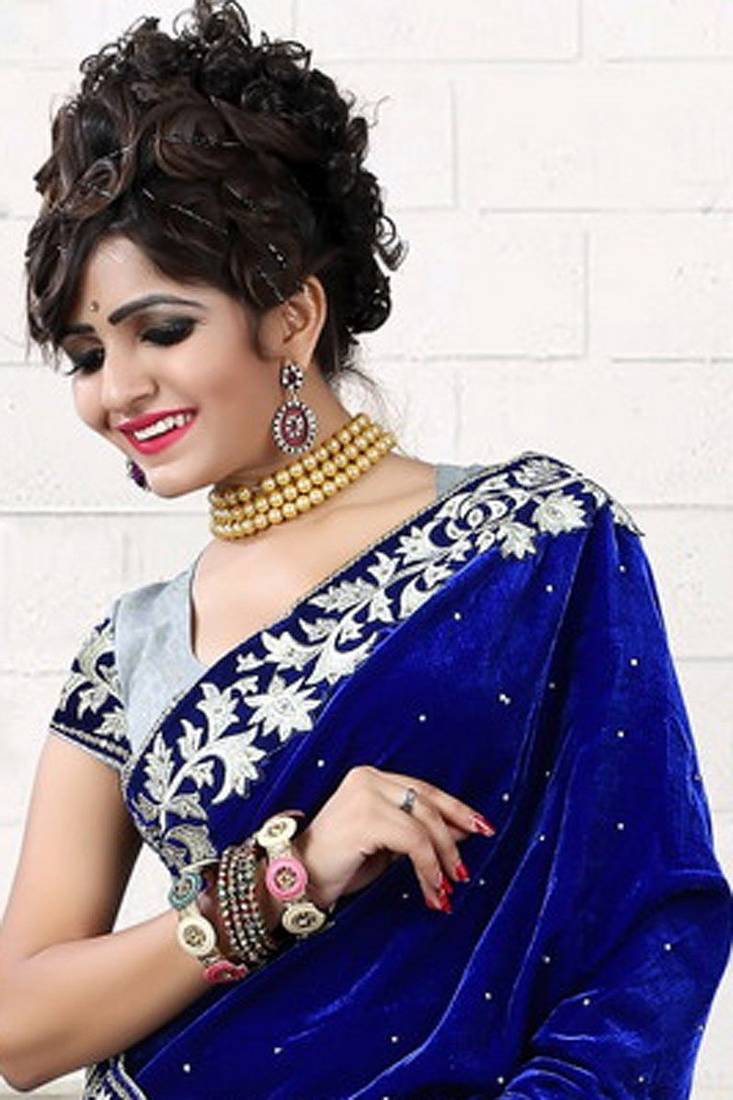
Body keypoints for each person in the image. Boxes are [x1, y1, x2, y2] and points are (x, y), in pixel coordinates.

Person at [0, 2, 730, 1097]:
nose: (118, 390)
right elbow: (19, 1028)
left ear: (292, 317)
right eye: (86, 354)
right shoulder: (130, 649)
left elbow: (650, 931)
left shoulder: (535, 541)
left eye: (162, 330)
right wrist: (283, 875)